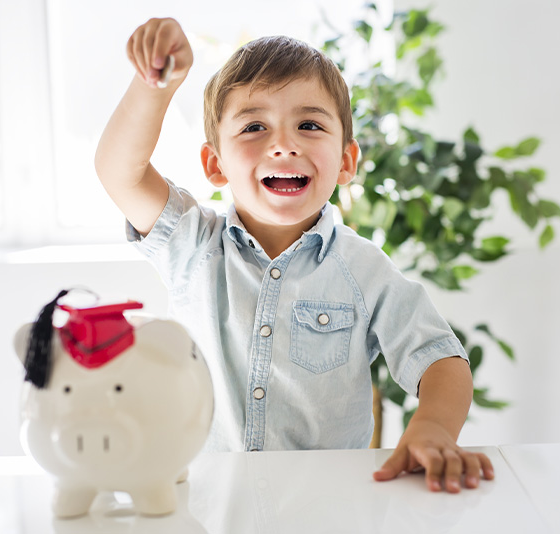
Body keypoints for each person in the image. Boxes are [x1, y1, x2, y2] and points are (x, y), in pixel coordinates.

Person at [94, 17, 495, 493]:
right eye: (254, 127)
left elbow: (440, 359)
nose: (283, 145)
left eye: (308, 125)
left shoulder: (364, 269)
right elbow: (120, 172)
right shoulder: (192, 245)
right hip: (204, 501)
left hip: (327, 506)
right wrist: (154, 87)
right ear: (215, 164)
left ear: (346, 160)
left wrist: (432, 428)